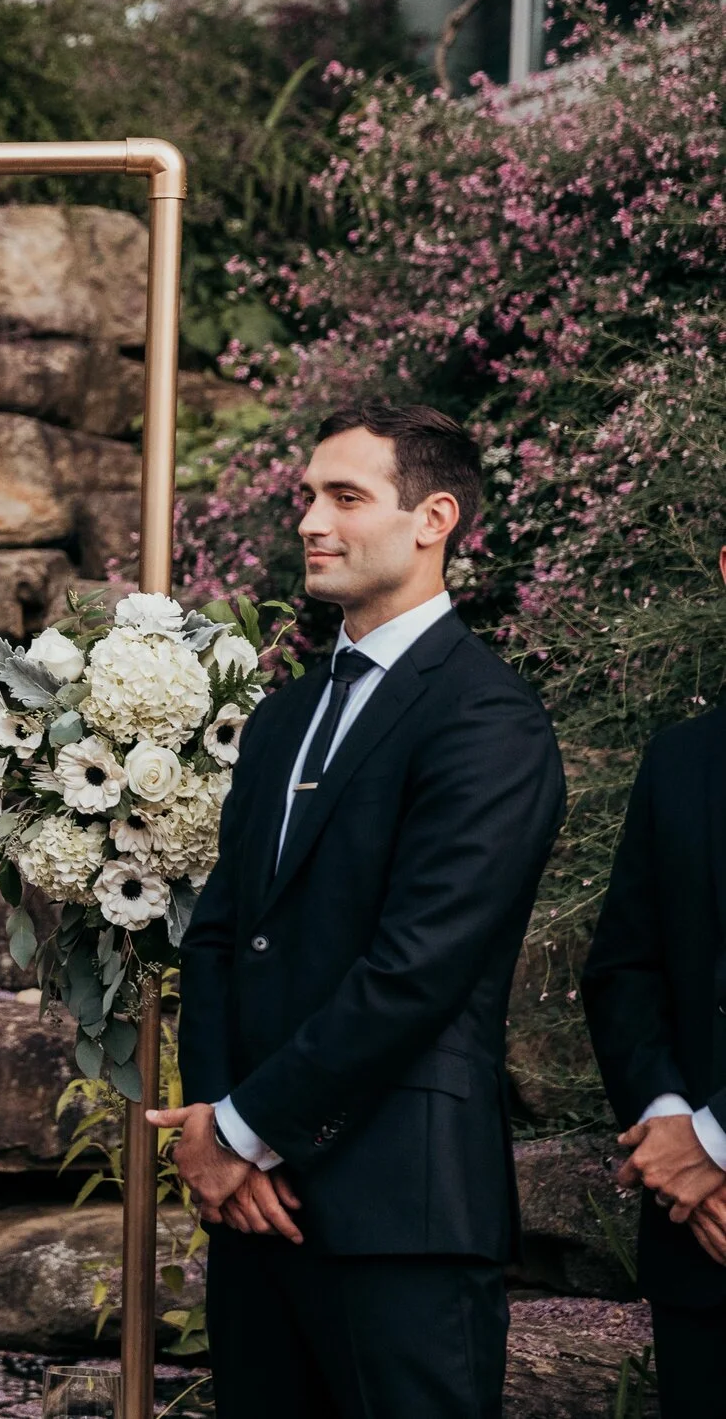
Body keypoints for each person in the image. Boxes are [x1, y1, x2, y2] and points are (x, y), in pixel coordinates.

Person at [149, 400, 565, 1419]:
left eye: (344, 496)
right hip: (254, 1211)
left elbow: (419, 965)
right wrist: (219, 1127)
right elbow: (220, 933)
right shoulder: (284, 713)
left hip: (402, 1212)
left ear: (433, 518)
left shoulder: (487, 717)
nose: (309, 520)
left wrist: (243, 1127)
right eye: (307, 496)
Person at [582, 536, 726, 1417]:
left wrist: (715, 1141)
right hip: (699, 1255)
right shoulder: (678, 760)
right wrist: (674, 1132)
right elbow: (623, 968)